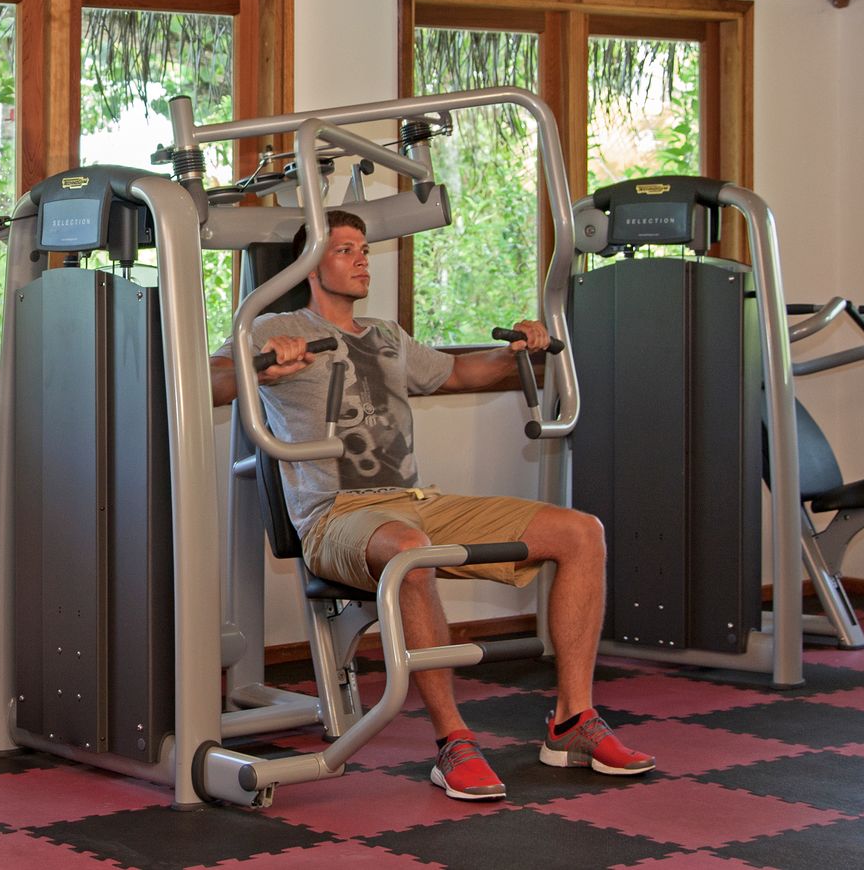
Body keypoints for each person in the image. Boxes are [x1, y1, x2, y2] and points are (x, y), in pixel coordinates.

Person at [211, 208, 654, 802]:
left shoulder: (388, 337)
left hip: (417, 500)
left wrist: (529, 348)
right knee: (411, 551)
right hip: (336, 516)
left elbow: (466, 373)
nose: (362, 257)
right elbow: (208, 383)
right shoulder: (272, 328)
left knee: (581, 532)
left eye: (363, 246)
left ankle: (573, 722)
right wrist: (260, 366)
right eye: (345, 249)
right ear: (310, 265)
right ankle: (454, 744)